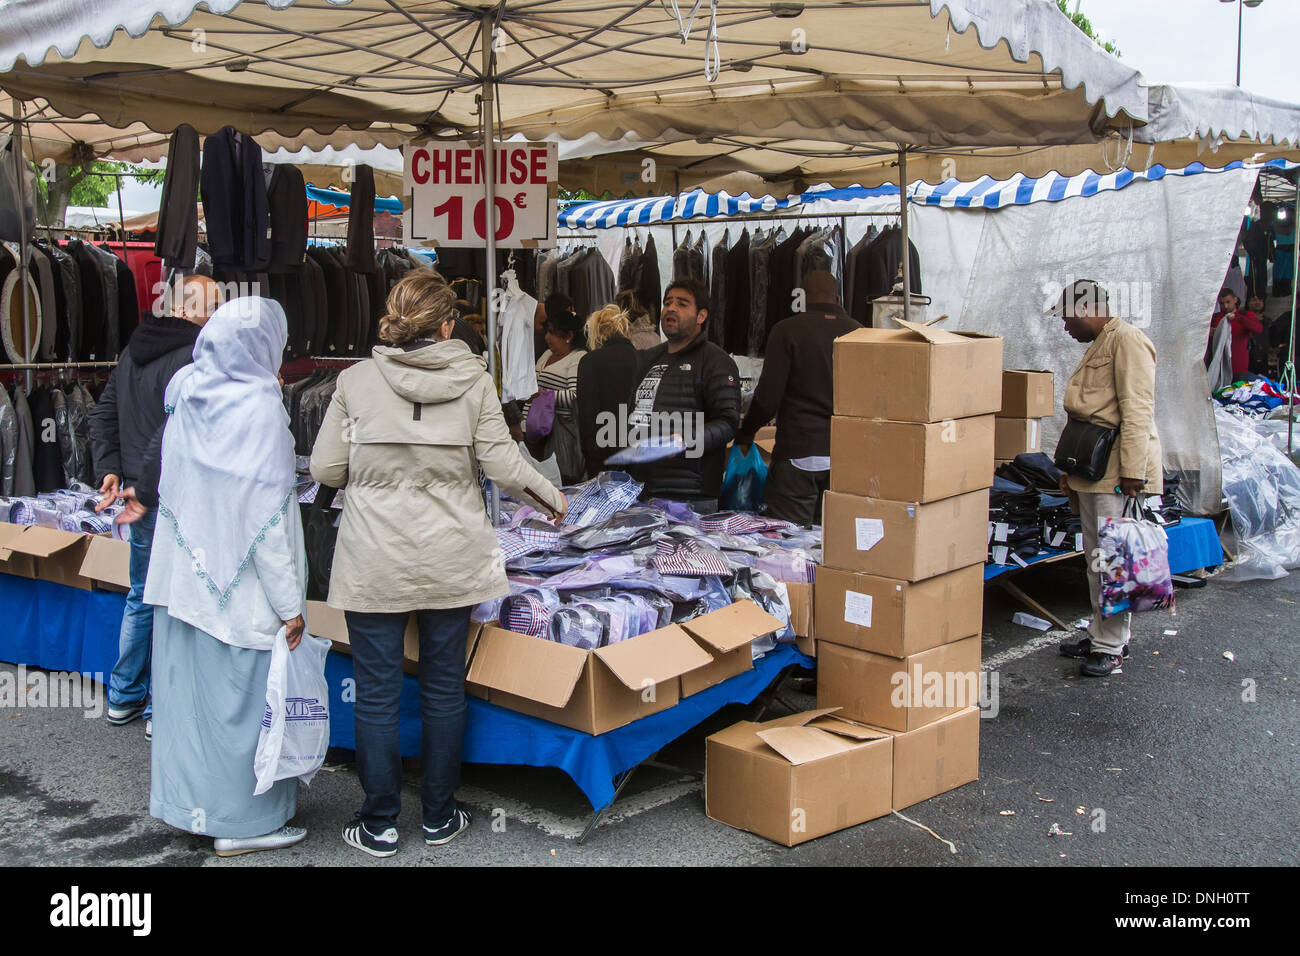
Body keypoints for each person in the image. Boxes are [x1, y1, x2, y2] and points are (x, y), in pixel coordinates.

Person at [310, 270, 567, 858]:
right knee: (445, 688)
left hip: (373, 559)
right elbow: (503, 466)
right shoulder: (475, 381)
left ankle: (377, 823)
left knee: (375, 692)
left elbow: (325, 471)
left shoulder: (354, 381)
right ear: (449, 324)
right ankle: (439, 816)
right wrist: (554, 499)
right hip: (451, 557)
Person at [118, 296, 309, 857]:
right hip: (242, 588)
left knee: (191, 706)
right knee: (240, 708)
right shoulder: (259, 410)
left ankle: (192, 806)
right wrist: (290, 603)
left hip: (184, 580)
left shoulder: (189, 392)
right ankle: (242, 823)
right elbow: (268, 519)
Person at [89, 274, 223, 739]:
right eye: (215, 306)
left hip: (140, 492)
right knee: (172, 601)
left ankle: (124, 696)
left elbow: (103, 411)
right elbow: (169, 435)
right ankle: (159, 710)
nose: (219, 315)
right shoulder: (196, 356)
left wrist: (111, 467)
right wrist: (143, 491)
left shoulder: (133, 350)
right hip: (171, 495)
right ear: (191, 311)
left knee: (143, 594)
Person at [1052, 280, 1163, 678]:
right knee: (1096, 559)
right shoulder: (1102, 342)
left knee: (1112, 561)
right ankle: (1101, 632)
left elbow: (1137, 410)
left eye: (1067, 316)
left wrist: (1134, 472)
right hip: (1092, 470)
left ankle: (1111, 645)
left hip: (1116, 472)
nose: (1065, 326)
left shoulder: (1128, 340)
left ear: (1086, 308)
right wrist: (1069, 469)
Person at [734, 270, 861, 524]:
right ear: (838, 299)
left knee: (789, 545)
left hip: (798, 453)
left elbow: (767, 399)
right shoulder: (859, 333)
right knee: (832, 544)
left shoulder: (787, 331)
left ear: (801, 297)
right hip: (845, 457)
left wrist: (746, 433)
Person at [628, 277, 741, 510]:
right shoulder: (649, 358)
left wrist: (683, 441)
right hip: (642, 489)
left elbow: (728, 422)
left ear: (701, 316)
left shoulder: (715, 361)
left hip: (690, 496)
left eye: (682, 303)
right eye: (667, 302)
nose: (670, 308)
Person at [524, 302, 588, 483]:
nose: (547, 337)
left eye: (552, 332)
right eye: (547, 331)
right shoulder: (546, 355)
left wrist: (544, 395)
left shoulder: (577, 358)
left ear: (568, 336)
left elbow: (576, 396)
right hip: (534, 431)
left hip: (558, 433)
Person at [576, 304, 638, 477]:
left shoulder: (590, 361)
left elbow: (587, 414)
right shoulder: (642, 358)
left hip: (601, 452)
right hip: (636, 450)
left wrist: (590, 457)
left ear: (598, 333)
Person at [1210, 287, 1263, 380]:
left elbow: (1258, 329)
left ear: (1235, 300)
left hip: (1239, 367)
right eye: (1222, 303)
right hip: (1219, 367)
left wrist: (1238, 318)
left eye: (1228, 302)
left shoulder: (1245, 315)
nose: (1225, 306)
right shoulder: (1216, 318)